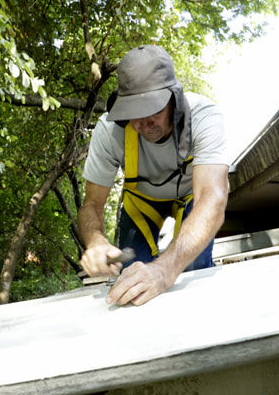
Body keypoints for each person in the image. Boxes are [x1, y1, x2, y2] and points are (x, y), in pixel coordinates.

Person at [78, 45, 230, 307]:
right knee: (131, 280)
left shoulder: (205, 117)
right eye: (134, 113)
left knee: (193, 267)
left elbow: (212, 199)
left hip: (193, 197)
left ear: (173, 99)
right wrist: (95, 241)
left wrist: (164, 270)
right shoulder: (108, 131)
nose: (145, 125)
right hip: (142, 203)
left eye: (155, 111)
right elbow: (91, 205)